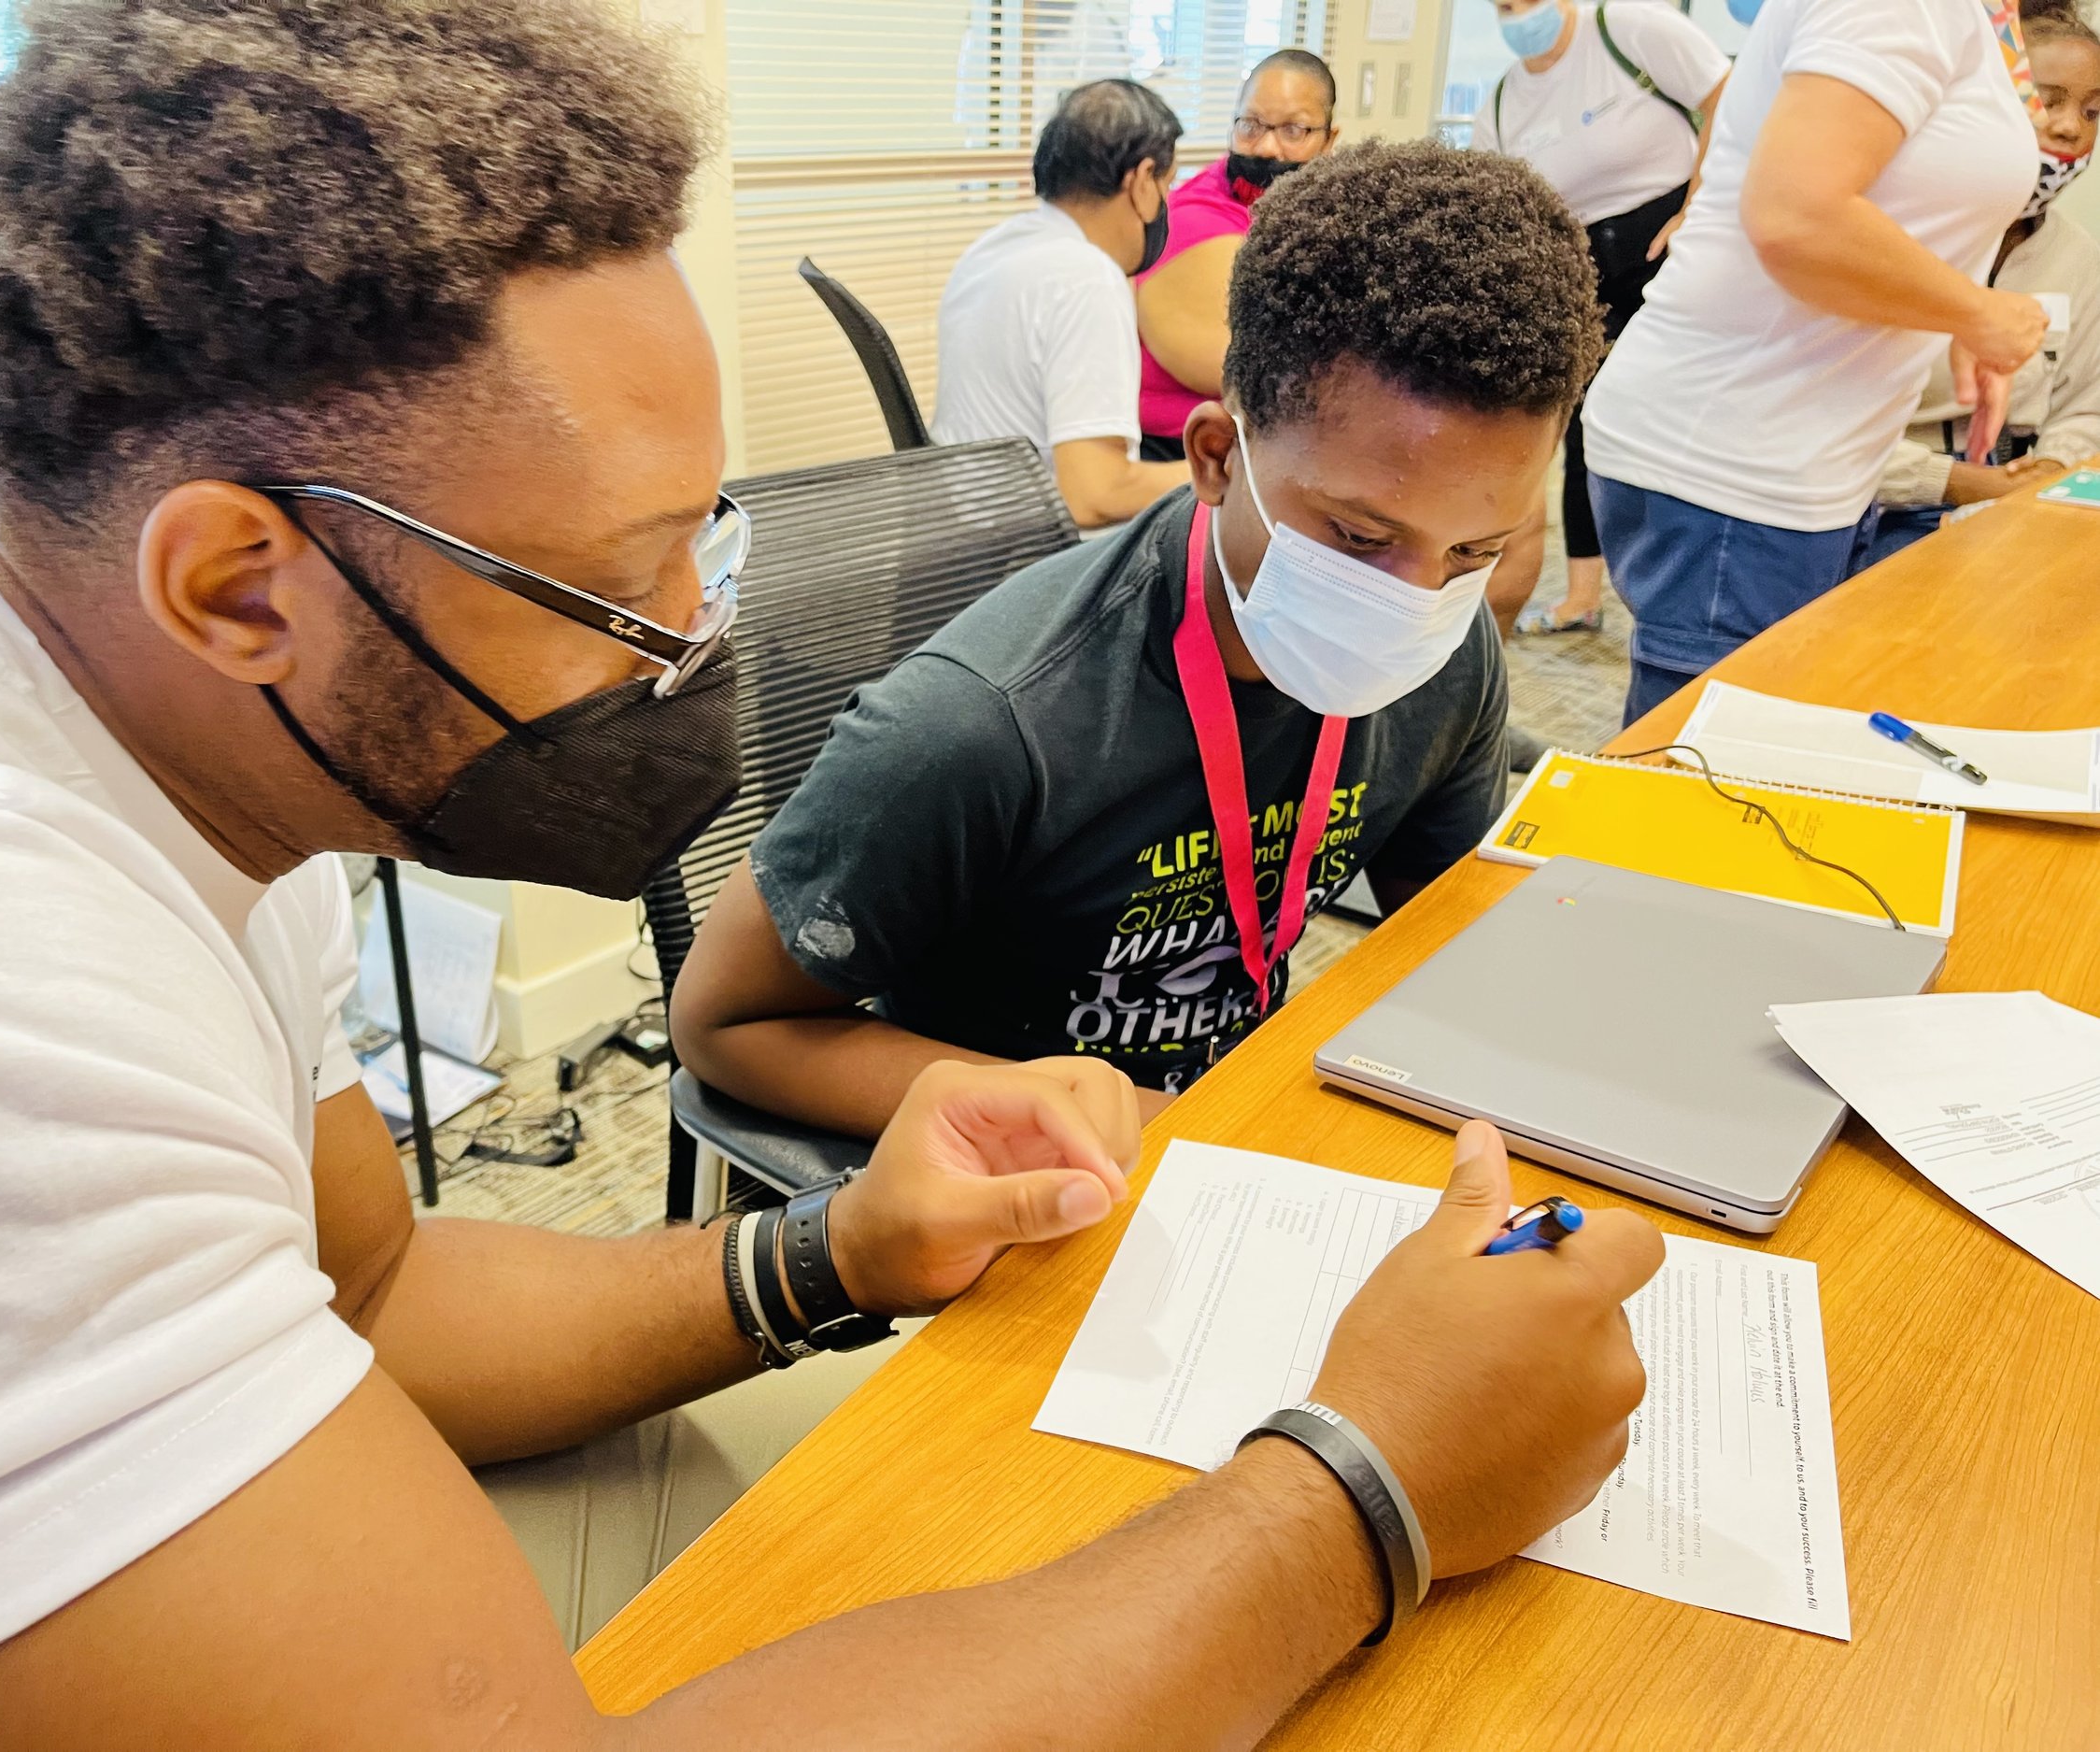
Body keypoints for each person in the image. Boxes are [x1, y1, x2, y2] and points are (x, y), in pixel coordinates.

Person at [0, 5, 1671, 1747]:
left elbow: (377, 1294)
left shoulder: (185, 778)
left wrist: (828, 1251)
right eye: (625, 577)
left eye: (707, 552)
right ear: (236, 584)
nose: (693, 641)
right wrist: (1362, 1484)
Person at [672, 142, 1603, 1133]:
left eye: (1474, 550)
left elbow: (1437, 946)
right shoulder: (980, 725)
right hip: (1014, 1167)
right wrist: (1072, 1114)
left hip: (1237, 1121)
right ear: (1213, 457)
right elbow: (724, 1021)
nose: (1414, 598)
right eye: (1360, 536)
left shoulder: (1449, 657)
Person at [1582, 0, 2050, 724]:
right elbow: (1797, 215)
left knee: (1761, 751)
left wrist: (1958, 311)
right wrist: (1982, 314)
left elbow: (1901, 188)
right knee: (1704, 783)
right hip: (1735, 459)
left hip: (1800, 449)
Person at [1471, 0, 1730, 637]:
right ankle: (1582, 596)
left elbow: (1731, 101)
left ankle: (1686, 589)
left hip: (1670, 244)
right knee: (1588, 424)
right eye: (1504, 6)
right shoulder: (1502, 103)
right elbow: (1499, 205)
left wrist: (1699, 204)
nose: (1518, 16)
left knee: (1675, 423)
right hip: (1583, 269)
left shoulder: (1628, 30)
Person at [1864, 0, 2100, 565]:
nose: (2069, 126)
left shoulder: (2080, 257)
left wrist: (2049, 468)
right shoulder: (1888, 239)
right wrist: (1958, 485)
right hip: (1876, 510)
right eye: (2048, 100)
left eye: (2093, 111)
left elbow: (2085, 404)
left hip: (2019, 504)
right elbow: (1825, 434)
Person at [929, 78, 1190, 528]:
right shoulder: (1086, 279)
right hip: (1032, 551)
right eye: (1167, 184)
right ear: (1142, 180)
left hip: (968, 528)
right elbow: (1094, 496)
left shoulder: (996, 247)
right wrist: (1231, 471)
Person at [1132, 49, 1340, 463]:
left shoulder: (1314, 212)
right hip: (1179, 454)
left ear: (1329, 141)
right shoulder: (1197, 222)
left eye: (1293, 130)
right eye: (1251, 125)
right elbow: (1249, 379)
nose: (1264, 148)